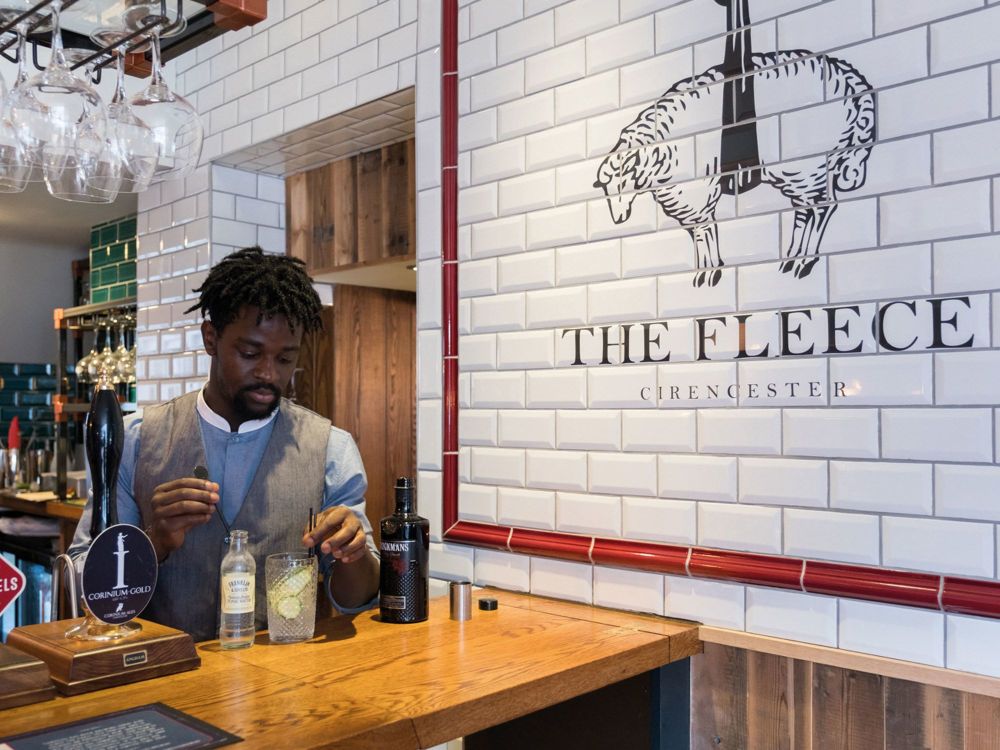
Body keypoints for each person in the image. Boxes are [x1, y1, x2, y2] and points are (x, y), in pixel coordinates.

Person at [69, 247, 380, 641]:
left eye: (285, 359)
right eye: (250, 353)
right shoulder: (137, 439)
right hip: (161, 668)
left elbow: (359, 599)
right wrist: (154, 542)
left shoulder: (330, 449)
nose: (268, 373)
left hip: (287, 672)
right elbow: (81, 581)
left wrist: (353, 553)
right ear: (211, 338)